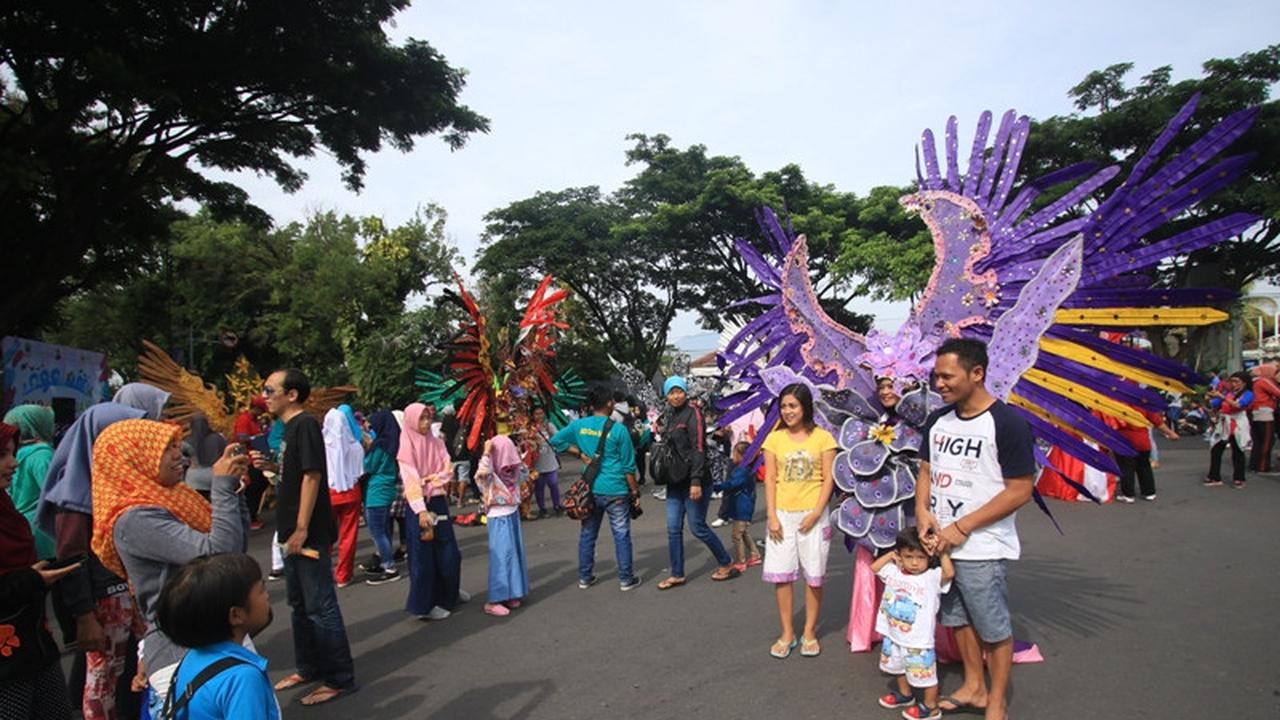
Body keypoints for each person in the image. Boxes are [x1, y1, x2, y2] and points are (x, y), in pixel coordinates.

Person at [90, 419, 249, 711]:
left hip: (213, 636)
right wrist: (223, 487)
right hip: (185, 652)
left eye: (177, 445)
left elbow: (236, 551)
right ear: (134, 458)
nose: (180, 454)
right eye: (166, 448)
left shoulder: (175, 498)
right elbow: (220, 552)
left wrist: (234, 489)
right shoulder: (134, 518)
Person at [914, 338, 1036, 720]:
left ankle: (996, 700)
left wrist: (962, 527)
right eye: (936, 376)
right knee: (957, 620)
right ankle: (973, 687)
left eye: (947, 376)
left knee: (993, 626)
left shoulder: (1007, 423)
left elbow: (1020, 490)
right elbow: (926, 471)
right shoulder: (937, 420)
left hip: (985, 546)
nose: (939, 384)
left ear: (977, 373)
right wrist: (922, 512)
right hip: (942, 546)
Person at [37, 386, 166, 720]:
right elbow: (70, 558)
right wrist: (84, 616)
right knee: (102, 685)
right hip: (101, 602)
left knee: (132, 677)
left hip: (125, 595)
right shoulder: (74, 491)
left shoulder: (113, 478)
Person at [250, 369, 354, 706]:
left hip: (305, 531)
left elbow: (312, 476)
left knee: (320, 606)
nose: (265, 395)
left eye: (270, 389)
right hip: (289, 530)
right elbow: (293, 473)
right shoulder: (286, 430)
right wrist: (266, 463)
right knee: (298, 605)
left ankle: (339, 677)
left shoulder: (306, 424)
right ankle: (308, 667)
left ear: (291, 394)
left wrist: (301, 528)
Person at [0, 421, 80, 720]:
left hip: (35, 645)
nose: (14, 463)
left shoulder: (6, 508)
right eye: (3, 456)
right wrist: (31, 579)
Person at [153, 553, 279, 719]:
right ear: (236, 615)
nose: (267, 595)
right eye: (261, 590)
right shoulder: (243, 678)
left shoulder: (192, 658)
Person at [762, 383, 837, 658]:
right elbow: (770, 478)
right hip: (781, 515)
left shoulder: (824, 438)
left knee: (814, 576)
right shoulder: (774, 439)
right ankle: (787, 632)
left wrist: (817, 513)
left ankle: (809, 631)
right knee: (782, 576)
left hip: (814, 515)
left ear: (805, 406)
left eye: (793, 405)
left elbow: (828, 478)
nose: (788, 411)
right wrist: (771, 515)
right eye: (783, 406)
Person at [550, 389, 643, 591]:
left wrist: (579, 453)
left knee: (588, 535)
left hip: (590, 490)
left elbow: (555, 441)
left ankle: (585, 577)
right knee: (621, 535)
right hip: (616, 490)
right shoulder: (619, 430)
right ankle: (626, 579)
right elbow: (628, 467)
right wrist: (635, 493)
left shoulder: (578, 425)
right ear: (610, 404)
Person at [655, 376, 737, 590]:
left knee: (697, 527)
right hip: (674, 481)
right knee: (673, 528)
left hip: (695, 479)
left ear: (685, 392)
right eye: (671, 392)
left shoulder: (694, 414)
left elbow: (698, 447)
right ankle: (677, 573)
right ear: (666, 395)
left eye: (679, 391)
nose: (676, 395)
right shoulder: (668, 416)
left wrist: (696, 481)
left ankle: (726, 563)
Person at [872, 530, 955, 720]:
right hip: (893, 634)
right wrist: (890, 556)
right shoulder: (893, 571)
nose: (915, 563)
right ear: (900, 555)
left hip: (918, 640)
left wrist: (941, 553)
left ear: (929, 557)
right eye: (908, 557)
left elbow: (949, 573)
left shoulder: (931, 577)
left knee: (926, 675)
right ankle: (905, 695)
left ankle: (931, 706)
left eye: (920, 557)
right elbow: (874, 567)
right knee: (896, 666)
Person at [398, 403, 466, 621]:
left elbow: (448, 471)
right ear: (410, 421)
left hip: (438, 501)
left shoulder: (437, 443)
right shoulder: (406, 447)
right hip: (419, 507)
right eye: (421, 419)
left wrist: (429, 480)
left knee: (449, 551)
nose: (426, 423)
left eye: (428, 418)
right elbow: (410, 482)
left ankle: (449, 593)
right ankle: (424, 606)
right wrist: (420, 510)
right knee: (422, 557)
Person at [474, 436, 531, 616]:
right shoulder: (488, 473)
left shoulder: (514, 471)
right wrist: (487, 452)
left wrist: (517, 457)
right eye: (505, 460)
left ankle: (511, 593)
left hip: (511, 513)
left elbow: (524, 472)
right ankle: (494, 600)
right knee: (502, 556)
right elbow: (482, 473)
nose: (509, 467)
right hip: (498, 517)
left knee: (514, 554)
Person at [3, 405, 56, 559]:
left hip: (18, 529)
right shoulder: (42, 455)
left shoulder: (13, 453)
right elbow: (54, 495)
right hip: (43, 533)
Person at [322, 408, 364, 588]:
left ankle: (322, 572)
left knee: (324, 536)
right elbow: (360, 472)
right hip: (351, 493)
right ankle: (343, 575)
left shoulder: (320, 447)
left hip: (328, 494)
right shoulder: (355, 445)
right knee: (348, 536)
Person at [362, 410, 402, 585]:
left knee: (378, 532)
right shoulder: (393, 443)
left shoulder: (380, 445)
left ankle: (389, 566)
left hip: (376, 491)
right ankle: (386, 562)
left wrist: (367, 448)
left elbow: (368, 466)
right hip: (388, 488)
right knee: (384, 530)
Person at [711, 441, 762, 572]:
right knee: (743, 532)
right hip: (743, 506)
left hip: (742, 507)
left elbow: (732, 484)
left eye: (734, 453)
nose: (732, 456)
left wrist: (716, 487)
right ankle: (755, 554)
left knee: (736, 536)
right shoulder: (746, 469)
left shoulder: (742, 471)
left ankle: (741, 561)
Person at [1110, 408, 1179, 503]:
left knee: (1126, 468)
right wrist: (1170, 433)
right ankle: (1149, 493)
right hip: (1142, 440)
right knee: (1144, 467)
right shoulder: (1143, 405)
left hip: (1123, 440)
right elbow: (1157, 421)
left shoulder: (1116, 404)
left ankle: (1128, 495)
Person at [1205, 371, 1254, 489]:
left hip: (1237, 423)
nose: (1234, 384)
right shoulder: (1228, 393)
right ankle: (1214, 476)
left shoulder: (1248, 394)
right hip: (1224, 423)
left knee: (1238, 451)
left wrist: (1222, 397)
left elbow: (1238, 405)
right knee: (1216, 449)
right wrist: (1208, 398)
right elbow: (1213, 405)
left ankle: (1239, 478)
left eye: (1236, 381)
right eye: (1232, 381)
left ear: (1244, 383)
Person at [183, 413, 228, 499]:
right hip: (215, 476)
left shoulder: (188, 441)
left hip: (194, 478)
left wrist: (189, 460)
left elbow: (177, 457)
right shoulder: (219, 438)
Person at [530, 407, 563, 518]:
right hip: (537, 462)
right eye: (536, 414)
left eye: (541, 413)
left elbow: (559, 438)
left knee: (553, 484)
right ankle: (542, 509)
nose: (539, 416)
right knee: (539, 487)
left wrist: (549, 431)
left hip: (550, 459)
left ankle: (557, 505)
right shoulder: (530, 428)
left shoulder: (549, 425)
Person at [1248, 365, 1280, 474]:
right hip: (1265, 411)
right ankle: (1263, 466)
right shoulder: (1263, 381)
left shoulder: (1253, 382)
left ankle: (1254, 464)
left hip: (1255, 412)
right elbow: (1277, 392)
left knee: (1257, 441)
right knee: (1267, 440)